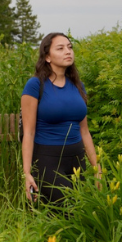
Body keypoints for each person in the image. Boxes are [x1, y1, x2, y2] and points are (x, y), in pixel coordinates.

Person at [21, 32, 100, 206]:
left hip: (77, 160)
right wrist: (27, 173)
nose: (68, 51)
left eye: (70, 47)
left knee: (78, 210)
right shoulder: (35, 85)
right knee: (68, 207)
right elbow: (29, 133)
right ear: (47, 57)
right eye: (60, 48)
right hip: (48, 160)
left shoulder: (78, 86)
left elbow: (84, 131)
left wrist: (97, 168)